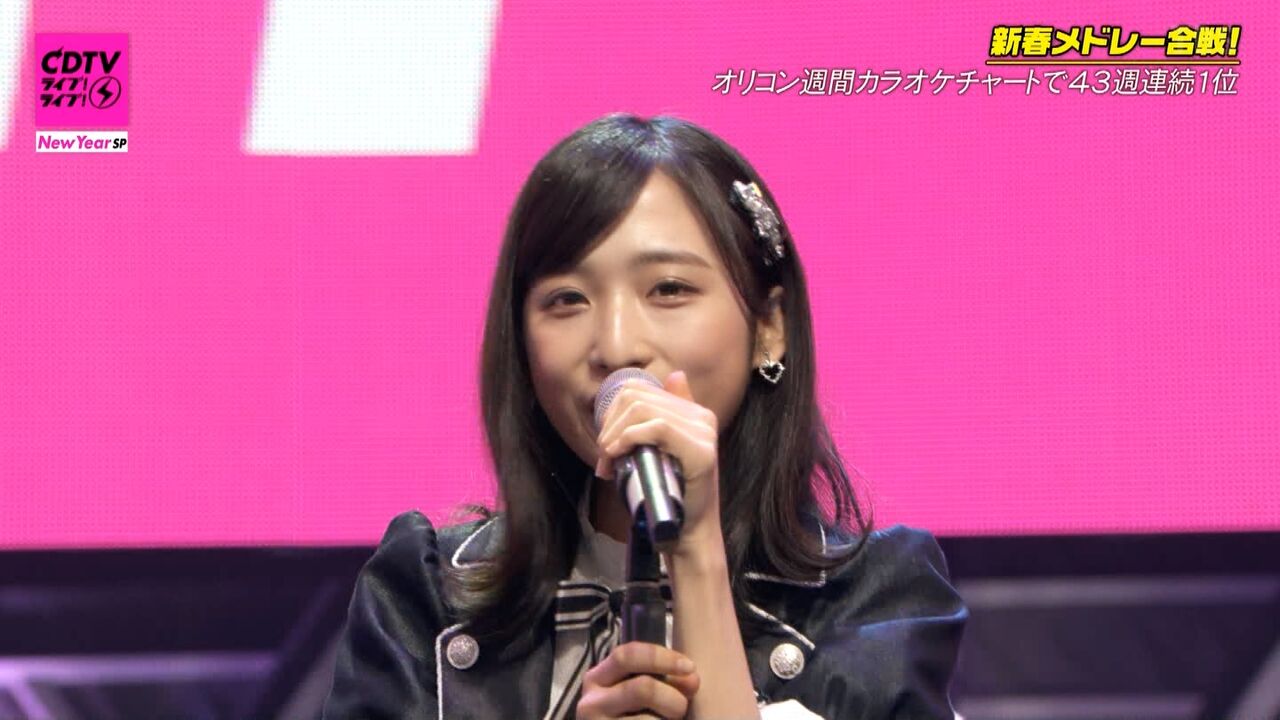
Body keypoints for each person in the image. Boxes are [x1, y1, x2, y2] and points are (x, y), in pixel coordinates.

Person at [322, 113, 969, 719]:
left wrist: (694, 550)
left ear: (769, 327)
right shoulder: (426, 594)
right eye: (567, 299)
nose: (616, 346)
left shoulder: (875, 602)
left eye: (669, 289)